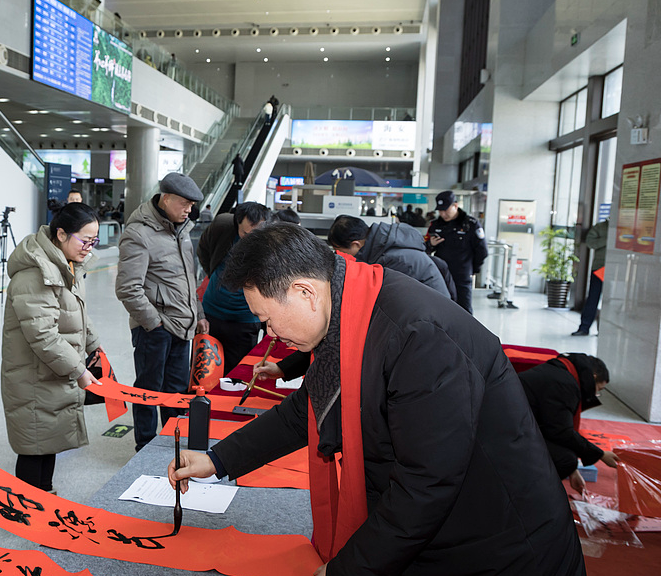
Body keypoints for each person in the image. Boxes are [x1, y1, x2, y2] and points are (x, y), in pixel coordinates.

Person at [169, 224, 584, 575]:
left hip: (501, 546)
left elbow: (425, 484)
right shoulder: (348, 308)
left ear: (305, 292)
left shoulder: (417, 337)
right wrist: (218, 460)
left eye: (267, 319)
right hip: (448, 533)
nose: (271, 335)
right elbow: (308, 408)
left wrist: (348, 567)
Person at [1, 202, 103, 493]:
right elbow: (42, 334)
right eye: (85, 240)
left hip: (53, 371)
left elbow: (78, 312)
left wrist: (94, 346)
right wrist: (79, 369)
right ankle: (28, 507)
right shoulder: (35, 273)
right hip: (33, 375)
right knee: (35, 444)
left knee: (48, 440)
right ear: (61, 234)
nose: (89, 248)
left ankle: (45, 497)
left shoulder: (65, 264)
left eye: (93, 241)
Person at [115, 172, 208, 451]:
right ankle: (144, 444)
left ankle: (171, 441)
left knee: (176, 390)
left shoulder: (182, 230)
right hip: (155, 329)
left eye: (192, 205)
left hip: (183, 325)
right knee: (148, 389)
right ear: (165, 198)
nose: (189, 210)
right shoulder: (139, 233)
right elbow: (127, 288)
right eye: (184, 203)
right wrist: (154, 323)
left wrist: (198, 314)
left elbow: (188, 280)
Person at [518, 353, 617, 493]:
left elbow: (552, 425)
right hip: (507, 429)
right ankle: (531, 495)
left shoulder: (562, 371)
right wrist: (600, 454)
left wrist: (573, 472)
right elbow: (560, 431)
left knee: (568, 455)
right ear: (593, 377)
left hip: (516, 421)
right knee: (566, 460)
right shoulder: (564, 385)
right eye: (598, 390)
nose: (595, 395)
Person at [197, 202, 270, 370]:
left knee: (237, 374)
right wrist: (215, 274)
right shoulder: (222, 226)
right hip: (213, 311)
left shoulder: (269, 238)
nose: (250, 238)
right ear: (237, 223)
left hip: (245, 318)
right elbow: (203, 249)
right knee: (206, 370)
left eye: (255, 233)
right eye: (245, 233)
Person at [327, 215, 450, 298]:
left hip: (435, 319)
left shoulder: (390, 258)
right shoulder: (386, 244)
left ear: (356, 244)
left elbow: (388, 300)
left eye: (340, 250)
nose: (341, 255)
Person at [425, 190, 488, 313]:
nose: (443, 214)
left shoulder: (470, 225)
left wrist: (473, 269)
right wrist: (430, 244)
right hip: (440, 275)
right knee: (440, 309)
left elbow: (482, 251)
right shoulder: (435, 225)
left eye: (446, 210)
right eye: (440, 210)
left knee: (464, 311)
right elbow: (425, 249)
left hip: (462, 275)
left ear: (455, 206)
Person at [573, 219, 608, 336]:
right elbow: (590, 243)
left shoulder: (626, 228)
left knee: (611, 301)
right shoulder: (600, 227)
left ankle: (603, 330)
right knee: (593, 298)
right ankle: (584, 327)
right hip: (600, 268)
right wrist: (608, 239)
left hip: (619, 269)